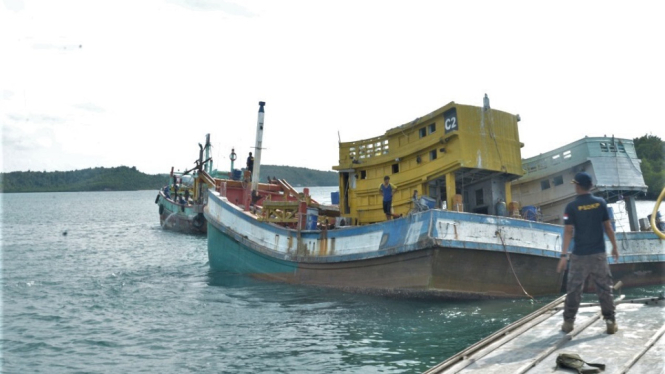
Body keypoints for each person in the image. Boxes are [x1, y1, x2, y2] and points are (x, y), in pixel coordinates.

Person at [557, 172, 619, 334]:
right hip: (598, 254)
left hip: (579, 255)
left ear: (578, 186)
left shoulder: (571, 207)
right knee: (604, 288)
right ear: (590, 186)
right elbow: (608, 228)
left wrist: (564, 255)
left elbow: (568, 231)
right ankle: (610, 322)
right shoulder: (600, 203)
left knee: (574, 289)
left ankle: (568, 323)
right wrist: (615, 247)